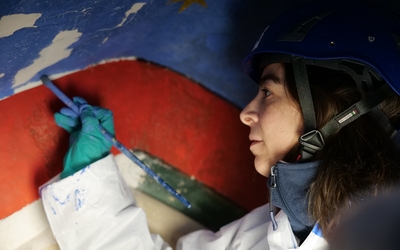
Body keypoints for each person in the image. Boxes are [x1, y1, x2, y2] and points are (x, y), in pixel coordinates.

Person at [40, 1, 400, 249]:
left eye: (267, 92)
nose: (247, 112)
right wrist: (87, 176)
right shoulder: (271, 228)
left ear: (334, 109)